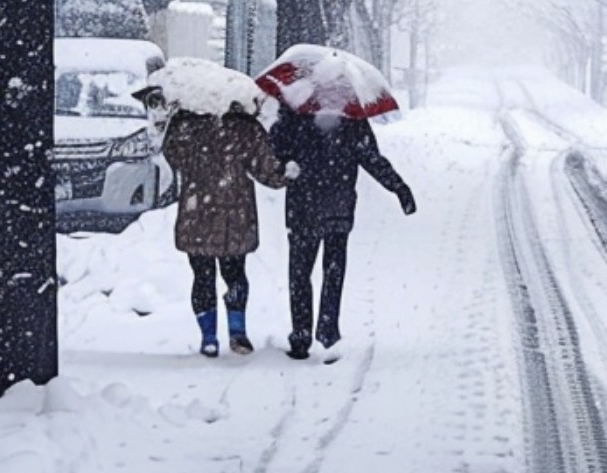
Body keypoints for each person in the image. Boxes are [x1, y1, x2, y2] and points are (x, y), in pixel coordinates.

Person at [270, 109, 415, 359]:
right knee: (333, 271)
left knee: (300, 273)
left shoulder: (294, 112)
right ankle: (328, 332)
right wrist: (398, 187)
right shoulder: (351, 116)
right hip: (338, 205)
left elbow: (274, 154)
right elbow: (371, 158)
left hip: (302, 207)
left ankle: (301, 336)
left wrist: (286, 162)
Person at [160, 98, 292, 358]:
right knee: (235, 274)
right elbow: (266, 169)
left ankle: (208, 337)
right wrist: (287, 173)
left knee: (202, 276)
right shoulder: (244, 127)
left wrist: (173, 122)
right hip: (235, 213)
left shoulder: (186, 125)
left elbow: (173, 156)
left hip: (196, 212)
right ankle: (237, 331)